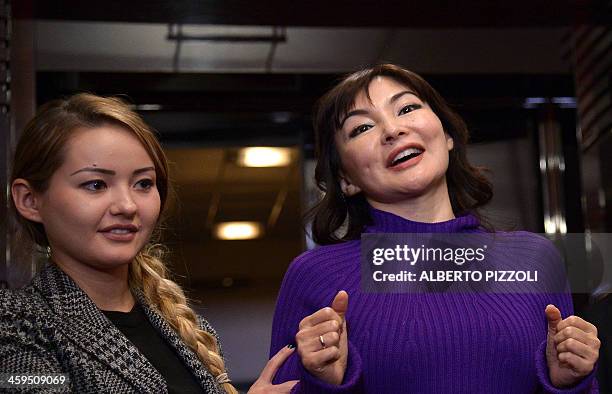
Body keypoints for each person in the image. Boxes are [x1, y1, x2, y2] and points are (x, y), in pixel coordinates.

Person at [269, 64, 601, 393]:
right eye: (361, 128)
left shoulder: (536, 258)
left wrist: (570, 382)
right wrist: (320, 383)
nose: (392, 130)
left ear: (447, 135)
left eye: (407, 108)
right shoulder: (313, 275)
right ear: (345, 179)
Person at [0, 93, 298, 393]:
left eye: (143, 183)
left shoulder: (184, 327)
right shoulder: (16, 323)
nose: (127, 205)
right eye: (96, 185)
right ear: (30, 200)